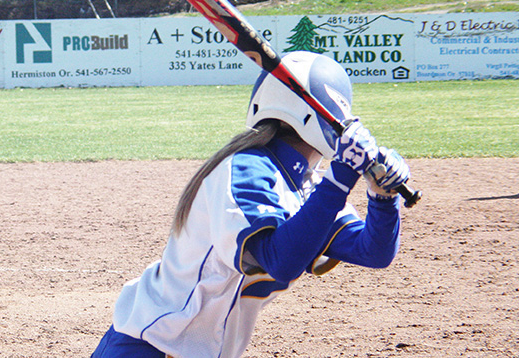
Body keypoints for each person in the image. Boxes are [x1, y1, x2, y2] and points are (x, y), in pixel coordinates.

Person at [92, 51, 411, 357]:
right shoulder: (247, 168)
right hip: (148, 346)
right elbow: (278, 259)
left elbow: (374, 252)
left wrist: (382, 197)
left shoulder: (307, 184)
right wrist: (340, 177)